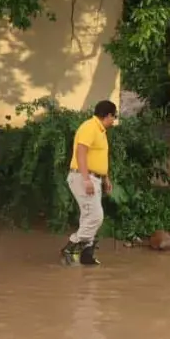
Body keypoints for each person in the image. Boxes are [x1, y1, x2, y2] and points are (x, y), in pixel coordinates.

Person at [62, 100, 117, 267]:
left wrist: (105, 178)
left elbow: (99, 157)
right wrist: (86, 179)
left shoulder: (100, 131)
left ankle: (87, 255)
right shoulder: (89, 127)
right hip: (82, 177)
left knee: (89, 216)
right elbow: (81, 153)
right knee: (95, 216)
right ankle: (71, 248)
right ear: (108, 115)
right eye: (114, 117)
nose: (114, 120)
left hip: (95, 178)